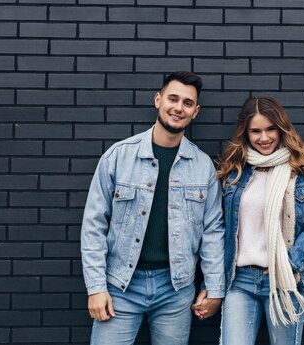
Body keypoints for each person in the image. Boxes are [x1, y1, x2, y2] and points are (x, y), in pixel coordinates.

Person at [80, 71, 224, 345]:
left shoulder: (203, 166)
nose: (178, 108)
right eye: (173, 98)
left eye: (187, 103)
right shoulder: (118, 157)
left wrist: (214, 288)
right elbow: (93, 226)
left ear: (196, 112)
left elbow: (213, 231)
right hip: (121, 285)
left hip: (176, 289)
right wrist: (96, 287)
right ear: (158, 100)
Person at [217, 96, 304, 345]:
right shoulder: (234, 170)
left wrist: (288, 261)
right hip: (240, 281)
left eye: (271, 128)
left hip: (285, 280)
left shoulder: (303, 169)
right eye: (255, 131)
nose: (264, 137)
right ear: (245, 133)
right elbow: (219, 228)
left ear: (282, 128)